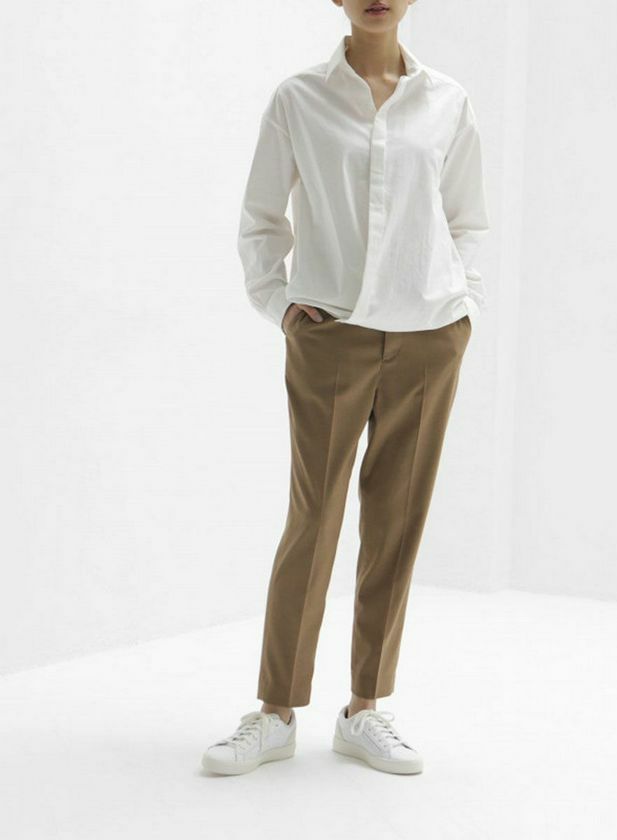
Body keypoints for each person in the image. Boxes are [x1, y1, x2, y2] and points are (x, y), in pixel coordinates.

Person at [201, 0, 489, 776]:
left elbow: (469, 219)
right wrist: (280, 306)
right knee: (314, 516)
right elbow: (262, 219)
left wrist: (464, 306)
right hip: (330, 335)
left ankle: (365, 708)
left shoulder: (448, 101)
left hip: (429, 336)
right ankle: (275, 712)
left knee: (397, 520)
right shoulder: (299, 98)